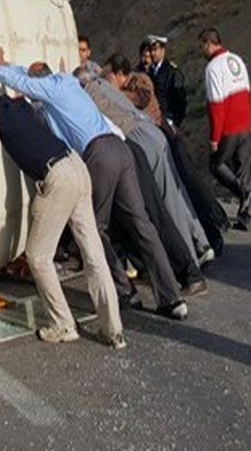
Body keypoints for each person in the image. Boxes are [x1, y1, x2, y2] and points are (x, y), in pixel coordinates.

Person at [0, 29, 188, 320]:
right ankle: (171, 299)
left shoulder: (49, 88)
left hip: (100, 154)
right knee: (141, 224)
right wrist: (8, 66)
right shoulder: (67, 81)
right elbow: (28, 76)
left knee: (92, 228)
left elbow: (25, 82)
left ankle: (123, 291)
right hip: (121, 149)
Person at [0, 51, 125, 347]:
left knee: (38, 256)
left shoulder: (0, 117)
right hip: (77, 168)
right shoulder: (19, 106)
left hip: (57, 179)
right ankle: (113, 330)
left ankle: (63, 324)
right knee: (92, 253)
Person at [74, 67, 211, 294]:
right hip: (146, 132)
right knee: (165, 203)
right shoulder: (103, 85)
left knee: (155, 211)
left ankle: (189, 270)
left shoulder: (87, 94)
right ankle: (187, 260)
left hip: (134, 140)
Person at [200, 29, 251, 231]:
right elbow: (247, 92)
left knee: (217, 165)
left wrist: (215, 137)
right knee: (245, 168)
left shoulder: (213, 67)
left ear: (208, 44)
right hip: (244, 123)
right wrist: (249, 120)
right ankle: (246, 216)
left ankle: (242, 191)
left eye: (202, 46)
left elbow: (216, 104)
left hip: (229, 127)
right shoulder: (236, 60)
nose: (201, 51)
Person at [102, 54, 162, 126]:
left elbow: (143, 98)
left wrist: (116, 92)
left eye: (108, 78)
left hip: (156, 126)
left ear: (119, 74)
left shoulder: (139, 79)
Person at [147, 35, 188, 128]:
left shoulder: (172, 71)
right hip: (152, 119)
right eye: (151, 50)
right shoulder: (149, 71)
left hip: (168, 119)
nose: (152, 53)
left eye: (155, 50)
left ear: (162, 50)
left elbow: (180, 99)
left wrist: (176, 122)